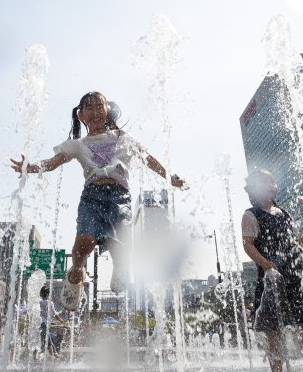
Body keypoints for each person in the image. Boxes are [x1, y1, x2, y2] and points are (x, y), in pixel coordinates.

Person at [10, 92, 185, 308]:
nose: (95, 111)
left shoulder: (123, 138)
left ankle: (120, 266)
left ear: (107, 110)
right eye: (89, 108)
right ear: (81, 115)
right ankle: (76, 272)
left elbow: (147, 158)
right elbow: (53, 162)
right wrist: (30, 167)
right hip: (92, 198)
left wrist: (170, 177)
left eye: (99, 106)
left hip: (119, 198)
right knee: (84, 243)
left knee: (120, 244)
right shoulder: (78, 144)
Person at [241, 169, 303, 372]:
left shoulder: (284, 212)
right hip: (272, 279)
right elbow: (248, 244)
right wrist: (266, 263)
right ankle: (276, 369)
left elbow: (298, 243)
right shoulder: (250, 215)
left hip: (297, 275)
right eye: (267, 182)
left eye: (273, 181)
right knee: (273, 329)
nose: (272, 185)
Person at [39, 285, 65, 358]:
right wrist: (60, 320)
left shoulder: (39, 302)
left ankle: (53, 354)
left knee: (46, 341)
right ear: (48, 294)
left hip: (40, 324)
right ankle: (52, 357)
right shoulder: (50, 303)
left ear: (41, 294)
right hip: (44, 325)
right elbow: (55, 314)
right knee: (48, 343)